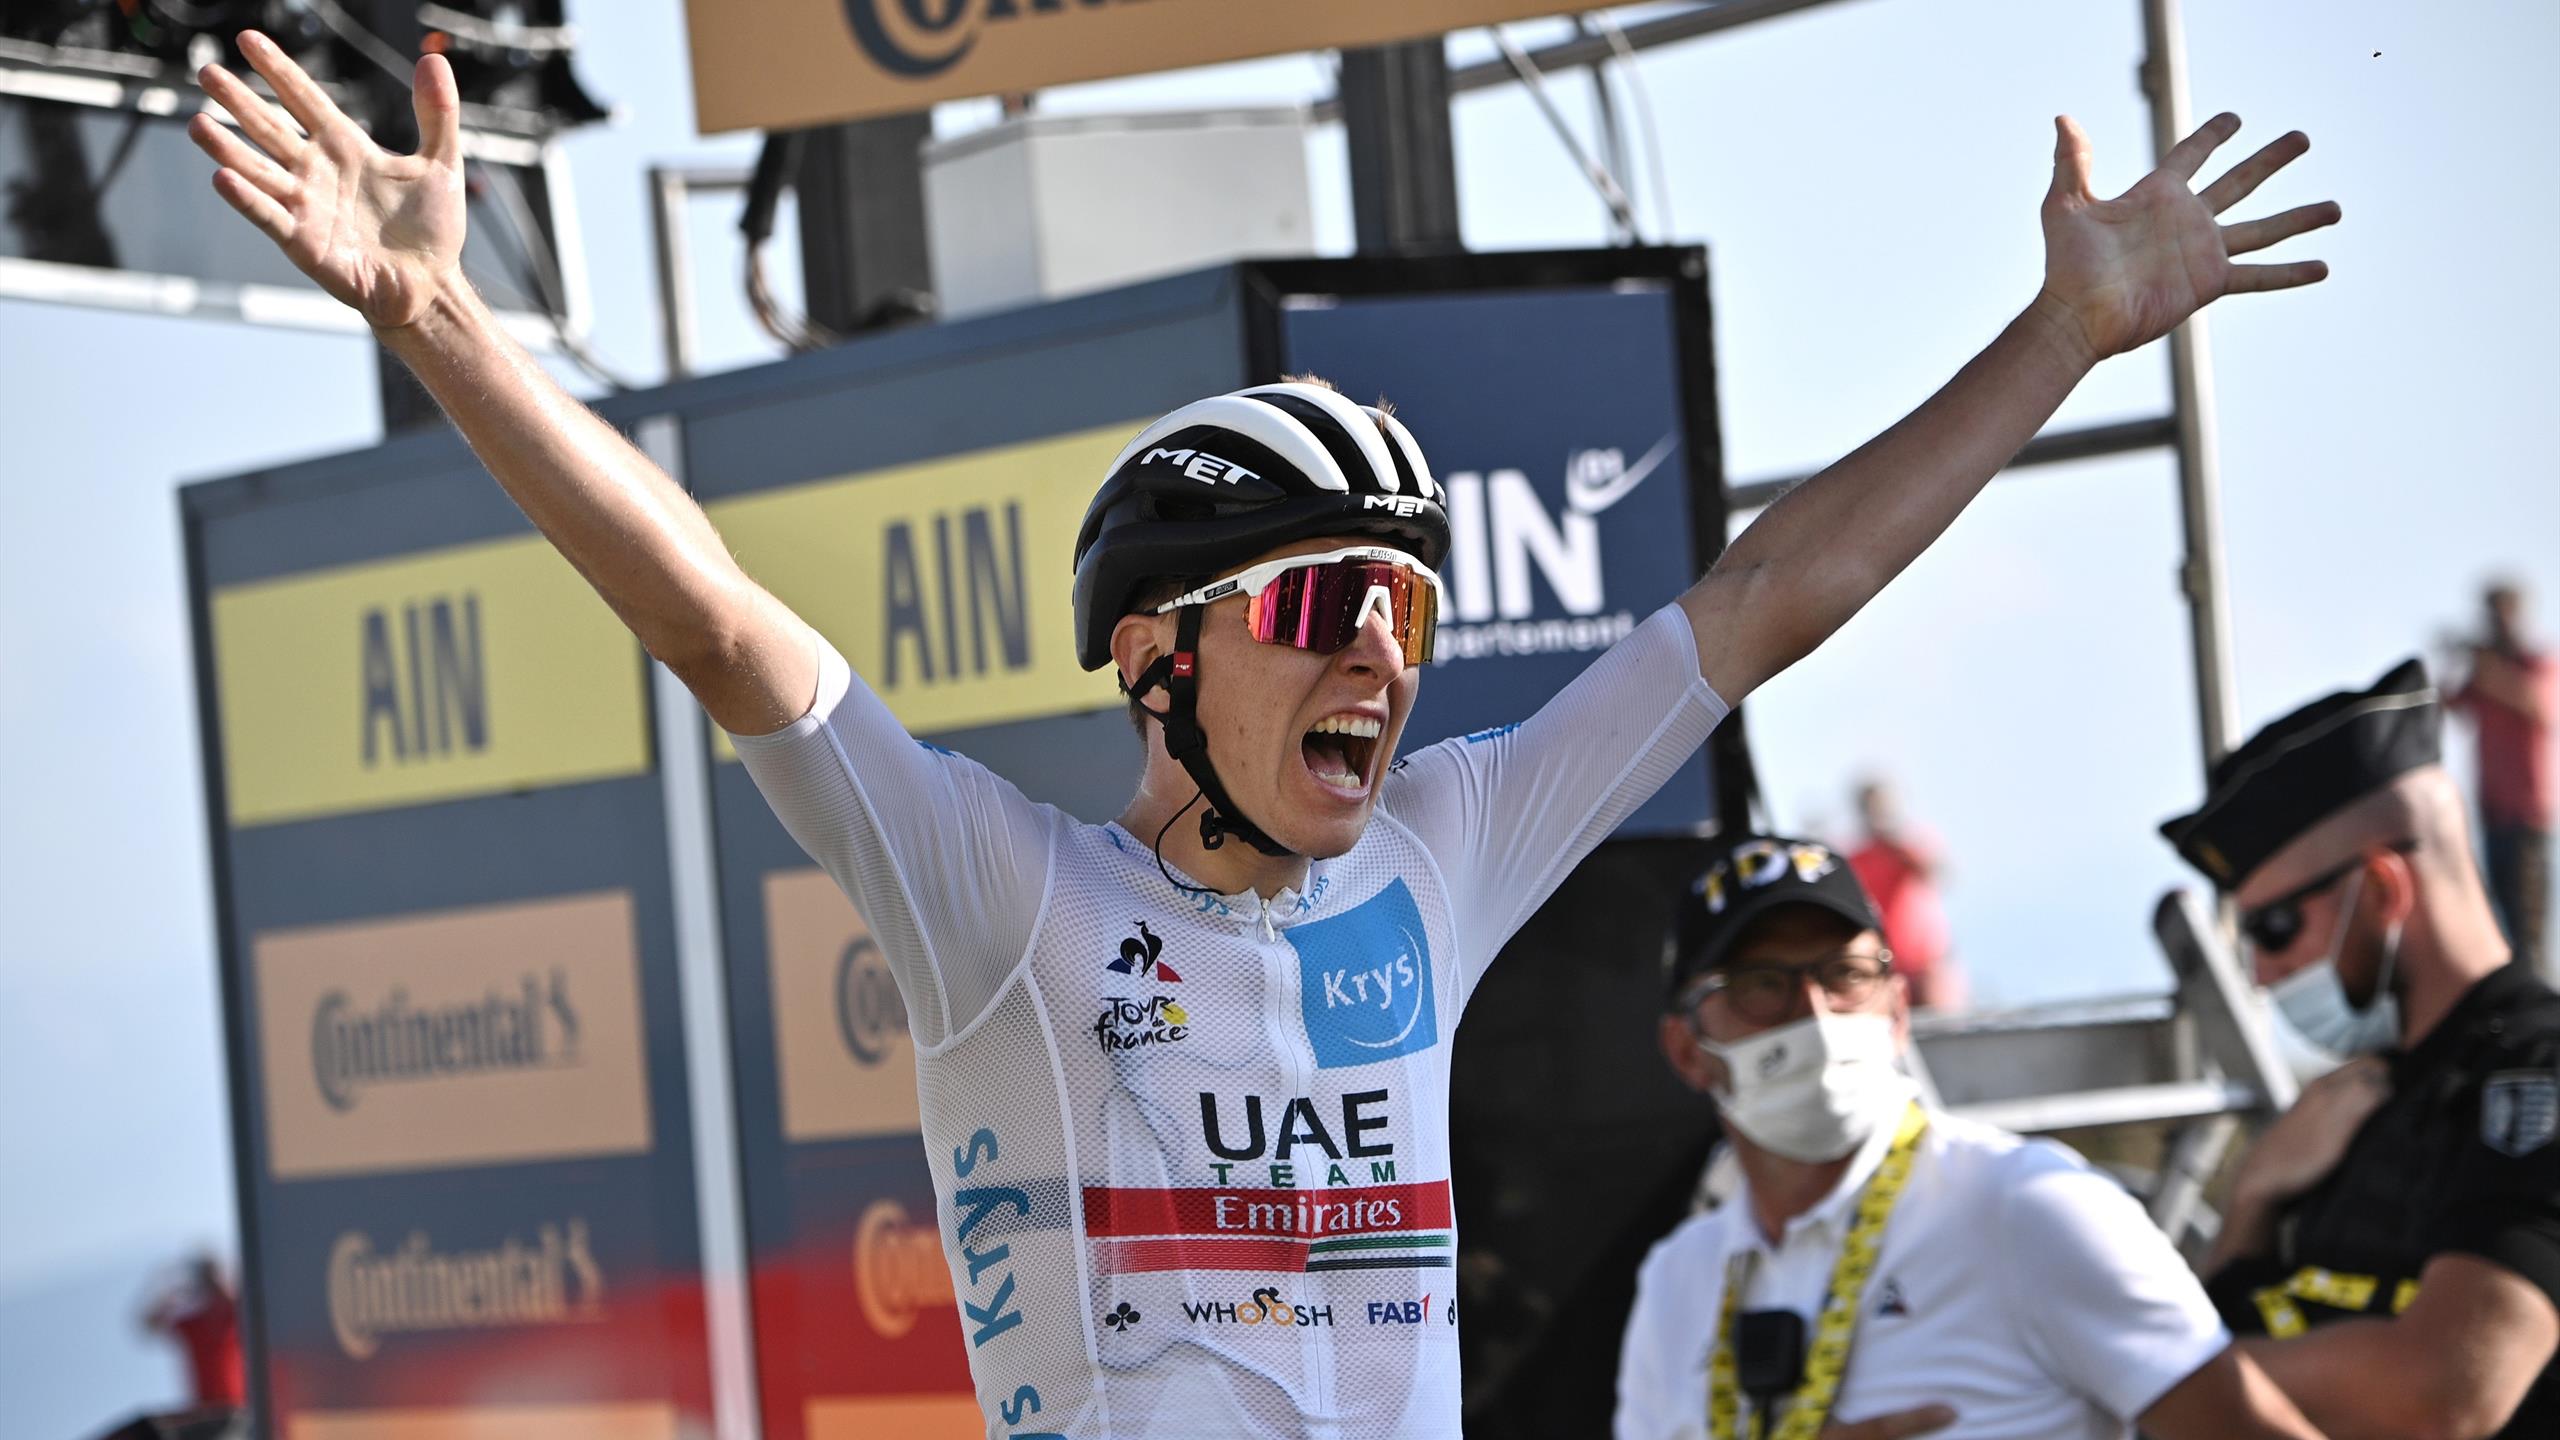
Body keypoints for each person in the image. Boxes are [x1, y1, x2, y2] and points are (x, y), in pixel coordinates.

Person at [188, 30, 2337, 1438]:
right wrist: (439, 314)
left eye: (1407, 610)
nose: (1380, 658)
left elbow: (1765, 595)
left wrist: (2061, 333)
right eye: (1318, 608)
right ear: (1156, 662)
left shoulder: (1439, 849)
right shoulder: (998, 898)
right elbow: (717, 623)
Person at [1615, 835, 2325, 1440]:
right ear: (1686, 1049)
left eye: (1847, 974)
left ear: (1899, 1011)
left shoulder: (2030, 1206)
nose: (1815, 1013)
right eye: (1762, 984)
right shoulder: (1678, 1281)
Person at [2160, 660, 2560, 1439]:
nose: (2260, 973)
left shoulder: (2534, 1079)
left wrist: (2157, 1381)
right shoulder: (2354, 1098)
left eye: (2275, 928)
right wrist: (2253, 1199)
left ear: (2382, 889)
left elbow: (2444, 1389)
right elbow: (2245, 1323)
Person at [2448, 580, 2554, 973]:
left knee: (2529, 936)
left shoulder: (2534, 665)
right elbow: (2448, 704)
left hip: (2527, 820)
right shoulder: (2483, 673)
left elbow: (2536, 705)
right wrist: (2456, 659)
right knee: (2500, 933)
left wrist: (2484, 665)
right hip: (2493, 818)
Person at [1845, 780, 1964, 1011]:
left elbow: (1940, 874)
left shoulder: (1914, 845)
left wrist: (1894, 842)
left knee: (1945, 1021)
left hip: (1929, 962)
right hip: (1886, 966)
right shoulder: (1856, 857)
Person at [140, 1253, 245, 1411]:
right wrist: (169, 1296)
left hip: (241, 1405)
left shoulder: (234, 1317)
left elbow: (243, 1301)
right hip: (205, 1409)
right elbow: (151, 1324)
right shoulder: (193, 1324)